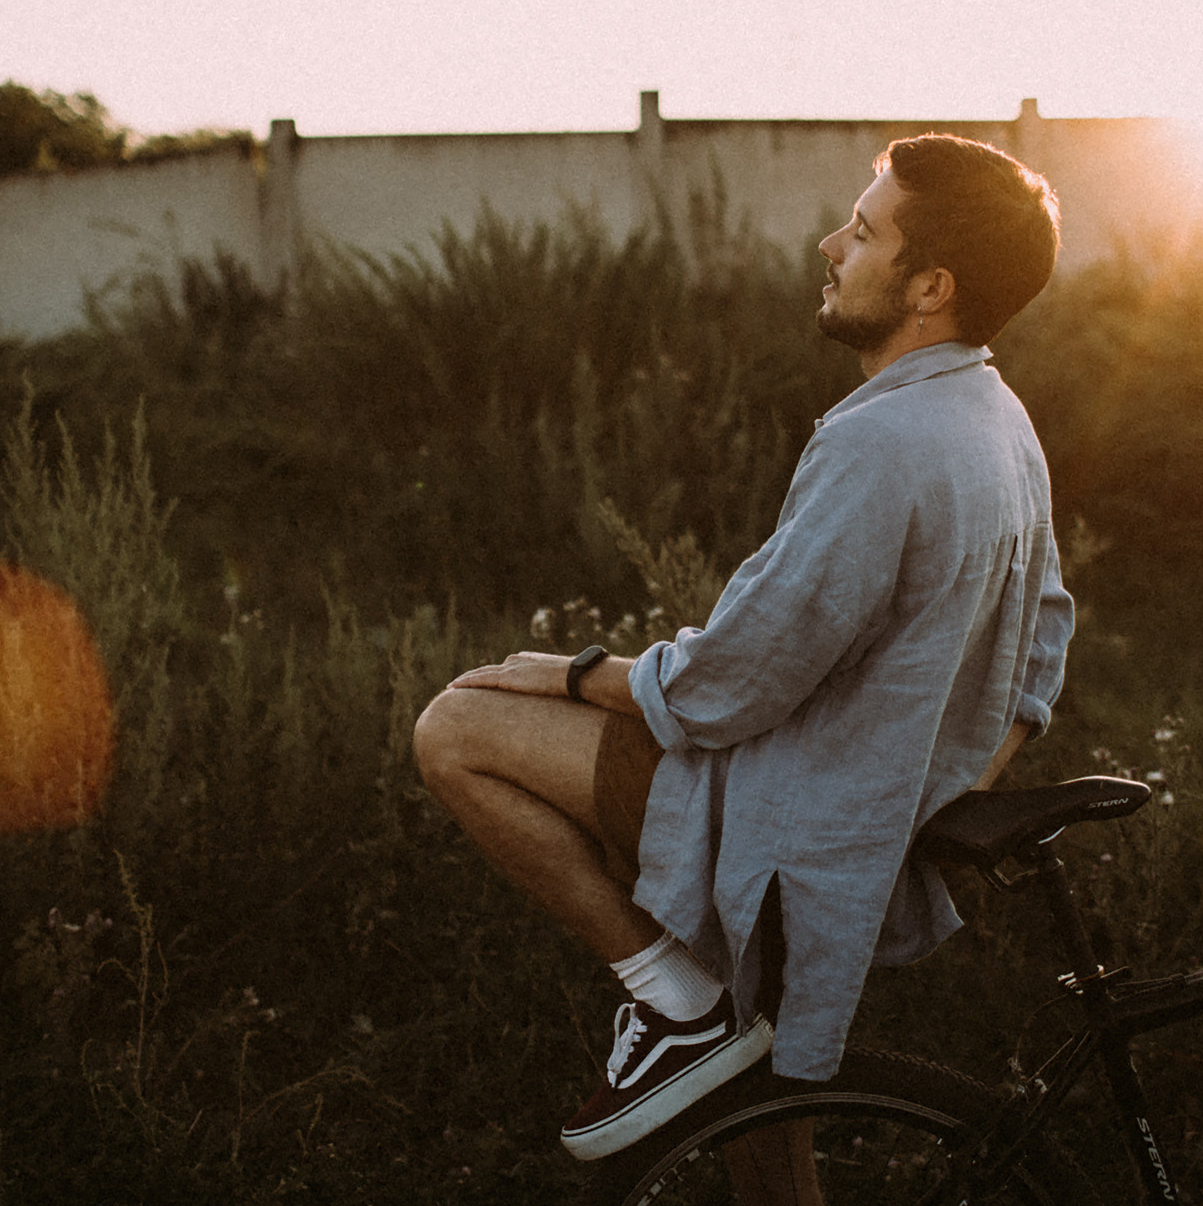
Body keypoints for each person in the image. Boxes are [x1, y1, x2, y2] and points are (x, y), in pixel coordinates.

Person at [412, 132, 1073, 1164]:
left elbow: (733, 684)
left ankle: (676, 1002)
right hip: (862, 823)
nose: (828, 244)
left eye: (862, 232)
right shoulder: (999, 416)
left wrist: (576, 672)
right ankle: (713, 1034)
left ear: (930, 286)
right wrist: (941, 782)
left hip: (786, 820)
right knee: (759, 1145)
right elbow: (1043, 641)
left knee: (455, 727)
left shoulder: (880, 443)